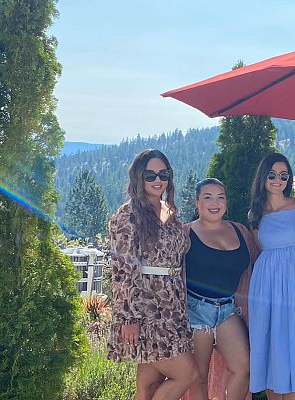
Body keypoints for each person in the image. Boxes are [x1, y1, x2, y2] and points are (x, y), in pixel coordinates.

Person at [107, 149, 198, 400]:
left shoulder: (169, 211)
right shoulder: (129, 214)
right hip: (146, 307)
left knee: (147, 385)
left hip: (171, 306)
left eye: (163, 174)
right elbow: (122, 268)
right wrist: (128, 317)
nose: (157, 180)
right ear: (139, 178)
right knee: (187, 373)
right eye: (150, 175)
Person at [246, 153, 295, 400]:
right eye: (272, 175)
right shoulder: (255, 214)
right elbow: (259, 252)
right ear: (263, 177)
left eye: (284, 175)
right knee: (270, 348)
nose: (278, 180)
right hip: (266, 288)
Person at [183, 178, 257, 400]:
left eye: (220, 197)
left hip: (227, 310)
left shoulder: (240, 231)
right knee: (199, 376)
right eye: (207, 197)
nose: (215, 203)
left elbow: (255, 265)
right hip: (195, 310)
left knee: (243, 368)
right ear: (197, 203)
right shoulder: (185, 233)